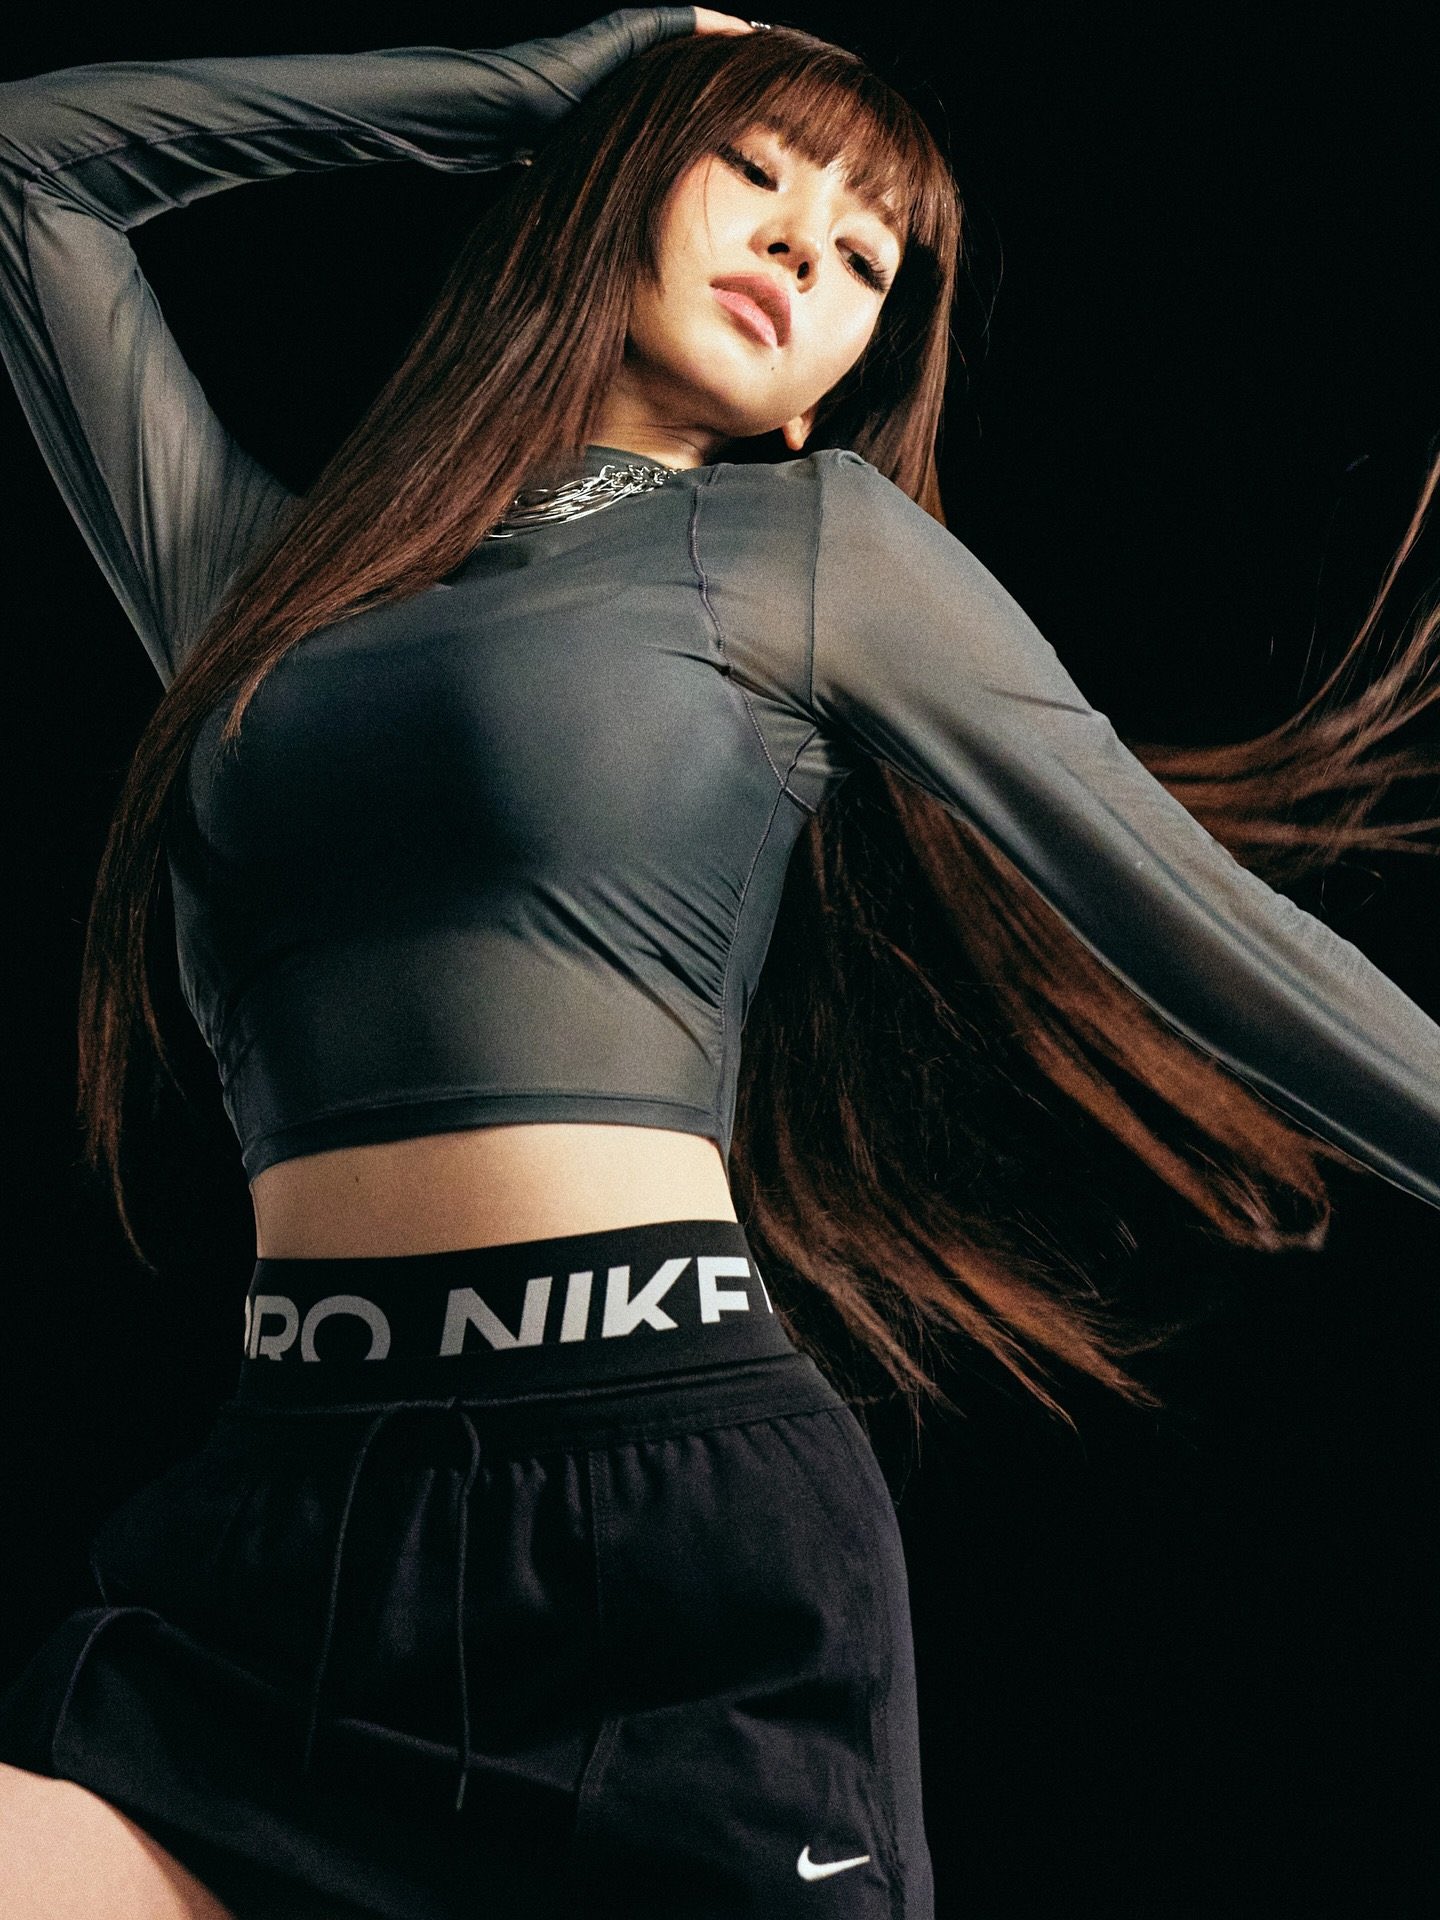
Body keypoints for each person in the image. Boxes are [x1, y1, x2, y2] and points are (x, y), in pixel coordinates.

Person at [0, 6, 1436, 1916]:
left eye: (865, 256)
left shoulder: (810, 546)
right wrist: (533, 91)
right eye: (753, 168)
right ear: (612, 185)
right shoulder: (260, 584)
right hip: (289, 1545)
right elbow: (25, 169)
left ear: (838, 380)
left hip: (660, 1543)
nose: (798, 246)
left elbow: (1216, 933)